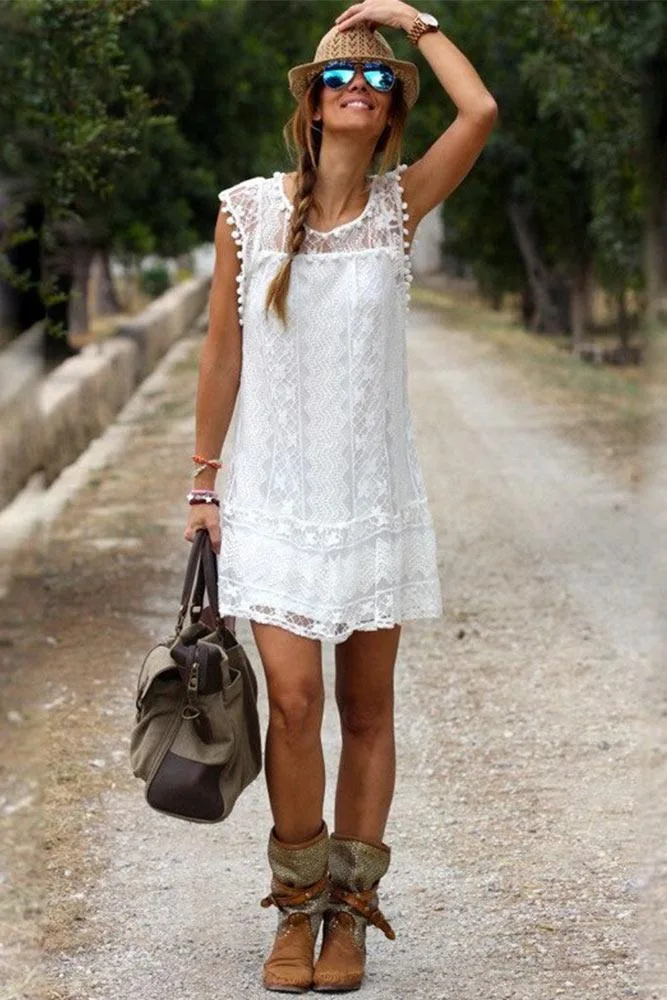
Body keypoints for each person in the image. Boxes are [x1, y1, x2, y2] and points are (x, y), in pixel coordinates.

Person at [185, 1, 497, 991]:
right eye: (340, 76)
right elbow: (221, 351)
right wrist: (203, 482)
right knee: (292, 700)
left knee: (366, 710)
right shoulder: (248, 212)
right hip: (275, 500)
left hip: (369, 500)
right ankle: (297, 903)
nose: (359, 86)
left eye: (375, 80)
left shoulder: (402, 207)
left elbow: (481, 112)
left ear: (390, 111)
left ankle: (350, 916)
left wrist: (416, 24)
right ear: (313, 105)